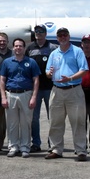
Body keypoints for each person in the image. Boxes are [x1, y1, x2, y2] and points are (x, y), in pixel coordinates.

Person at [45, 27, 88, 161]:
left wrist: (70, 78)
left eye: (65, 35)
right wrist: (49, 73)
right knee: (55, 122)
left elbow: (84, 69)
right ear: (57, 38)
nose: (62, 37)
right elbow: (47, 72)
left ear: (69, 36)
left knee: (78, 121)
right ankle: (56, 149)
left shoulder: (77, 51)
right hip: (57, 90)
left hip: (73, 90)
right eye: (60, 36)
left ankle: (81, 150)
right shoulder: (54, 53)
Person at [0, 37, 40, 158]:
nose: (18, 48)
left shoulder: (31, 62)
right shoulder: (7, 62)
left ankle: (25, 147)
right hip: (10, 94)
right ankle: (13, 147)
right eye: (16, 46)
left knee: (25, 123)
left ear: (24, 48)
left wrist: (34, 97)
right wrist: (3, 97)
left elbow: (36, 80)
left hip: (26, 94)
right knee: (12, 123)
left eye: (20, 46)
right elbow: (2, 80)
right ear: (13, 48)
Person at [26, 24, 53, 152]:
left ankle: (52, 143)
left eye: (41, 31)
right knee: (34, 118)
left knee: (52, 117)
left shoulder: (52, 48)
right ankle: (36, 143)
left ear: (45, 33)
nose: (39, 33)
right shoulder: (30, 48)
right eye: (37, 31)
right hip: (34, 89)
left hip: (50, 88)